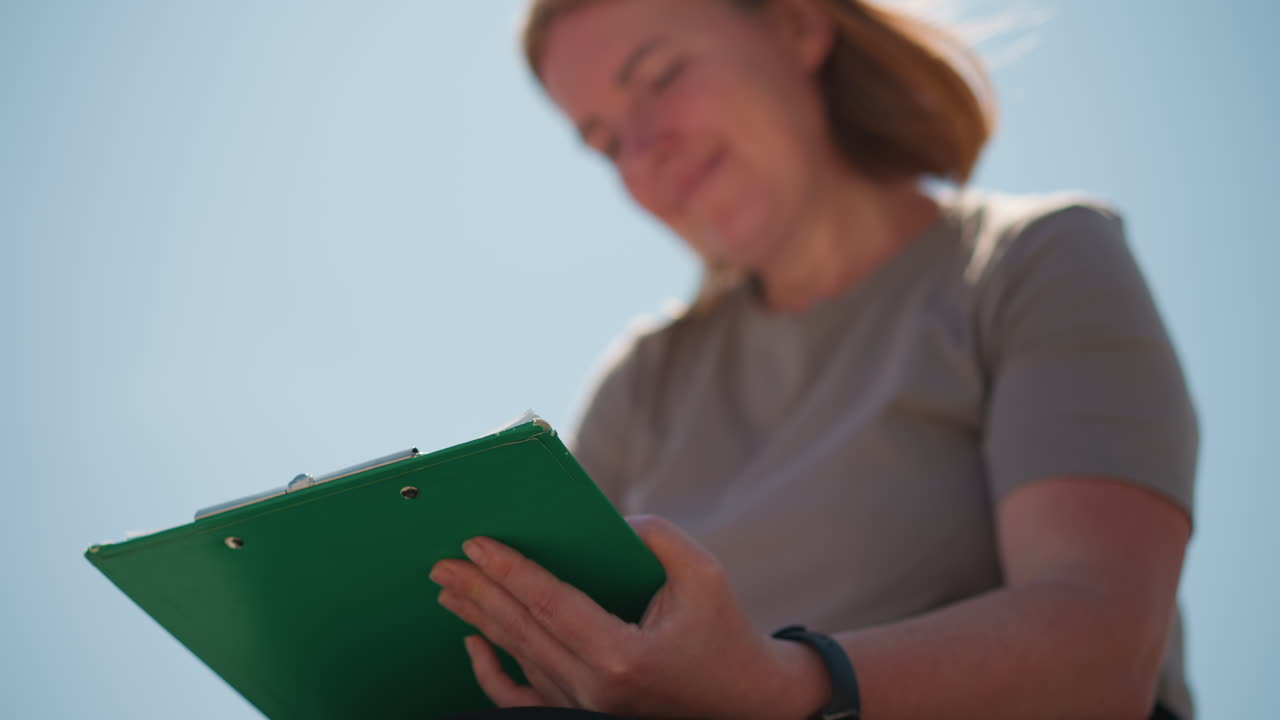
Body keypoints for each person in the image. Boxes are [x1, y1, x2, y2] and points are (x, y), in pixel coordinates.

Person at [430, 0, 1198, 718]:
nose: (644, 152)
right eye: (604, 142)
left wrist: (778, 686)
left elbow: (1106, 650)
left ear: (799, 26)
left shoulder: (1029, 263)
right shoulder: (641, 387)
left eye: (662, 78)